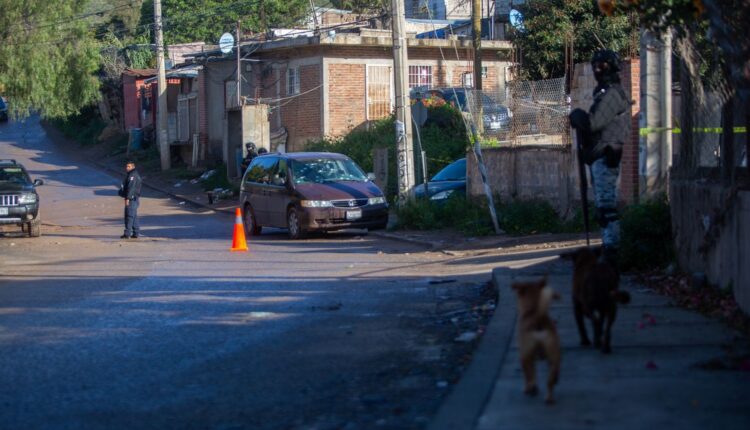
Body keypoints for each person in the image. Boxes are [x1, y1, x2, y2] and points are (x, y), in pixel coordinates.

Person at [569, 49, 631, 264]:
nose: (597, 69)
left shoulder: (613, 94)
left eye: (602, 65)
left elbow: (595, 123)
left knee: (606, 208)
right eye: (595, 65)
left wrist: (580, 117)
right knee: (602, 207)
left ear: (611, 66)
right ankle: (608, 247)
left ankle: (612, 251)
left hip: (606, 156)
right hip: (599, 156)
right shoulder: (604, 92)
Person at [118, 161, 142, 239]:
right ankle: (136, 233)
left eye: (129, 167)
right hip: (134, 199)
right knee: (133, 216)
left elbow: (131, 188)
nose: (127, 168)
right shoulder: (131, 175)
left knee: (129, 216)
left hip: (132, 199)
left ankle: (127, 234)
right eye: (126, 166)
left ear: (133, 167)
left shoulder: (133, 176)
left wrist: (127, 198)